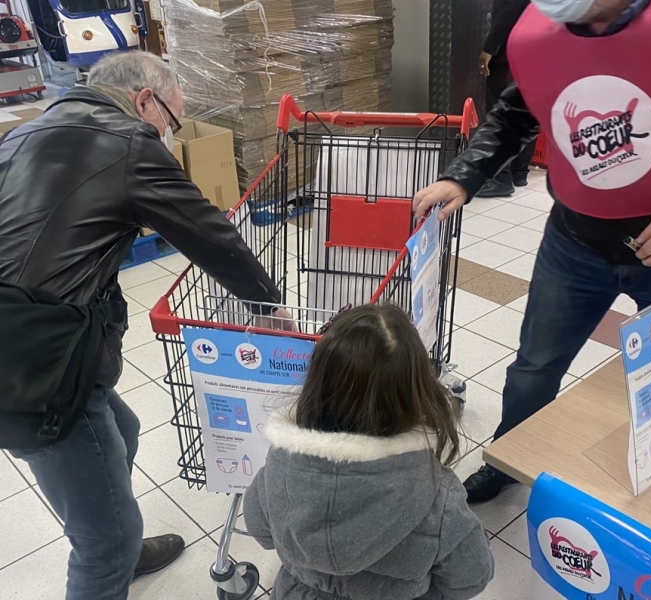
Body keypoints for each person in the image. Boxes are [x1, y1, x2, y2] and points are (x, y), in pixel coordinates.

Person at [0, 51, 293, 600]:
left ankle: (120, 542)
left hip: (30, 336)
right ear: (143, 100)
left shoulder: (27, 133)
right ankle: (114, 550)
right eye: (171, 119)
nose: (168, 133)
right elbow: (208, 233)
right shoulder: (128, 141)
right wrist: (267, 305)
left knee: (125, 429)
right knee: (103, 545)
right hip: (35, 366)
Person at [413, 0, 651, 503]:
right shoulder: (538, 38)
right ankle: (509, 458)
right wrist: (465, 175)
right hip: (574, 244)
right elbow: (516, 113)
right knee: (534, 368)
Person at [243, 304, 494, 600]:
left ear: (319, 381)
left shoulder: (279, 466)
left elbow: (260, 530)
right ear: (417, 390)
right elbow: (471, 577)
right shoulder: (437, 495)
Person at [476, 0, 535, 198]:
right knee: (523, 110)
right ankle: (519, 172)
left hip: (508, 52)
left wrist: (489, 48)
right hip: (531, 49)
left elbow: (508, 11)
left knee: (501, 113)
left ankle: (500, 178)